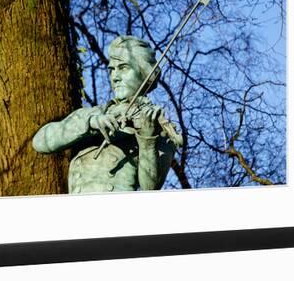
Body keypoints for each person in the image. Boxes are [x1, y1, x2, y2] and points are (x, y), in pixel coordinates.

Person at [32, 35, 182, 194]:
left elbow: (150, 187)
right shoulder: (90, 114)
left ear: (144, 73)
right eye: (112, 70)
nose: (115, 77)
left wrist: (147, 141)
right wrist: (90, 124)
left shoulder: (157, 126)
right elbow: (41, 142)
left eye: (123, 68)